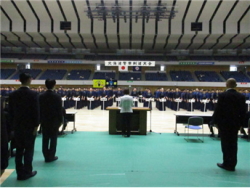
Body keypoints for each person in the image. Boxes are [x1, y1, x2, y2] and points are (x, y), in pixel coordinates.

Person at [8, 73, 40, 180]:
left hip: (17, 127)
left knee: (19, 150)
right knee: (29, 150)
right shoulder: (33, 94)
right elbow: (36, 112)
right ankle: (27, 171)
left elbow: (10, 112)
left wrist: (12, 126)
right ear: (29, 80)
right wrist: (36, 126)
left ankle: (19, 173)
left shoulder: (13, 95)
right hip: (29, 126)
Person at [212, 78, 246, 171]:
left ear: (226, 84)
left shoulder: (223, 95)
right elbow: (243, 112)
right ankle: (233, 164)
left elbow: (218, 110)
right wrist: (241, 124)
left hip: (224, 123)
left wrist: (214, 122)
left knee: (225, 144)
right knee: (233, 143)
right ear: (236, 86)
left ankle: (227, 163)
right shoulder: (241, 96)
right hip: (235, 124)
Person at [39, 79, 62, 162]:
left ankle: (46, 155)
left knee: (45, 138)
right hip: (54, 120)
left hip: (44, 120)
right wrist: (60, 121)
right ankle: (51, 156)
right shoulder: (57, 96)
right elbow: (59, 110)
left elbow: (39, 109)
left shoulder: (41, 96)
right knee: (53, 139)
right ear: (54, 85)